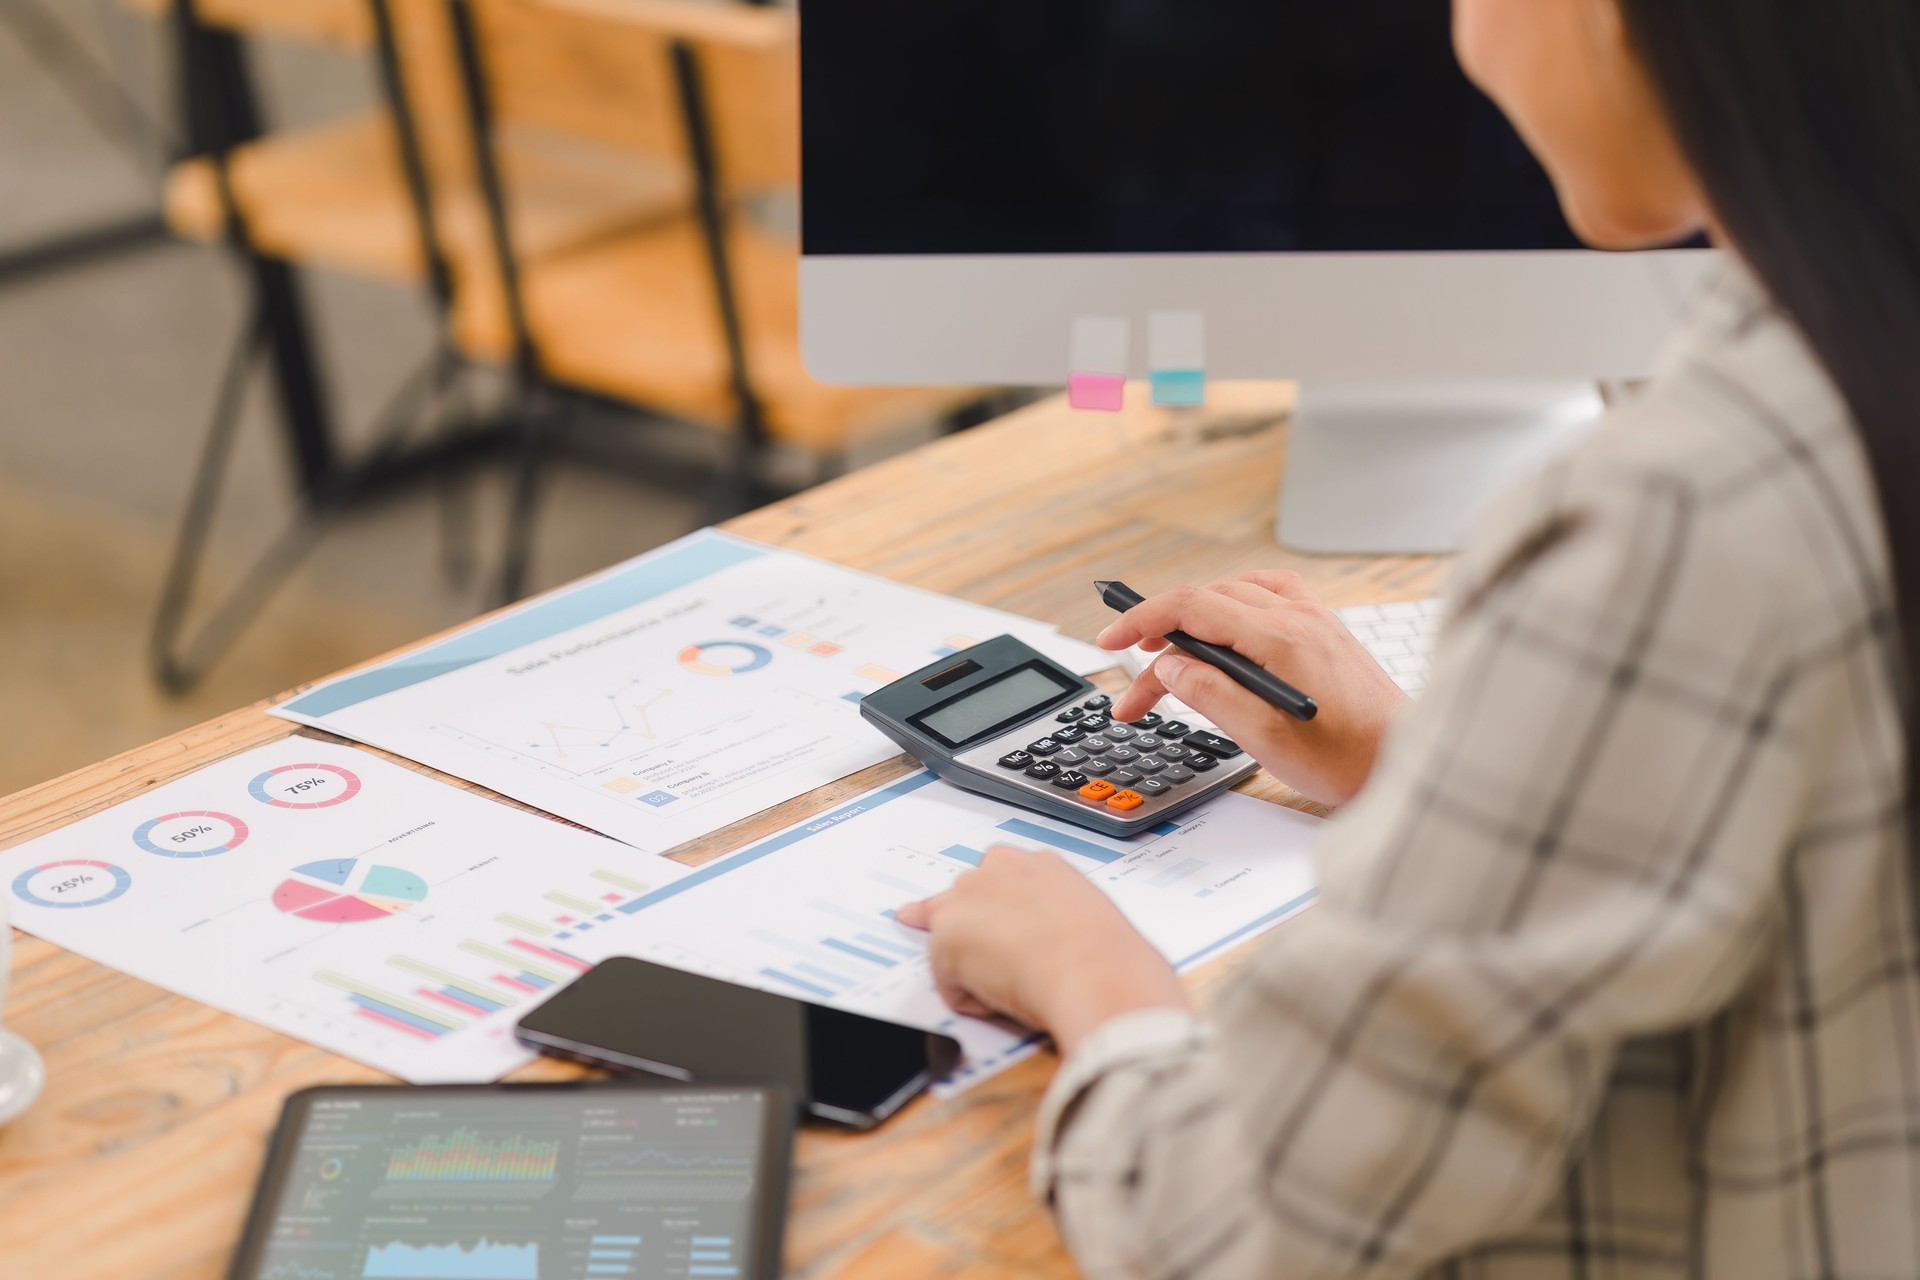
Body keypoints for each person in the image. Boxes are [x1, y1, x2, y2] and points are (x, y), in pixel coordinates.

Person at [894, 0, 1919, 1273]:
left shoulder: (1677, 514)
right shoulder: (1850, 371)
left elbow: (1240, 1230)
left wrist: (1090, 972)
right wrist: (1432, 761)